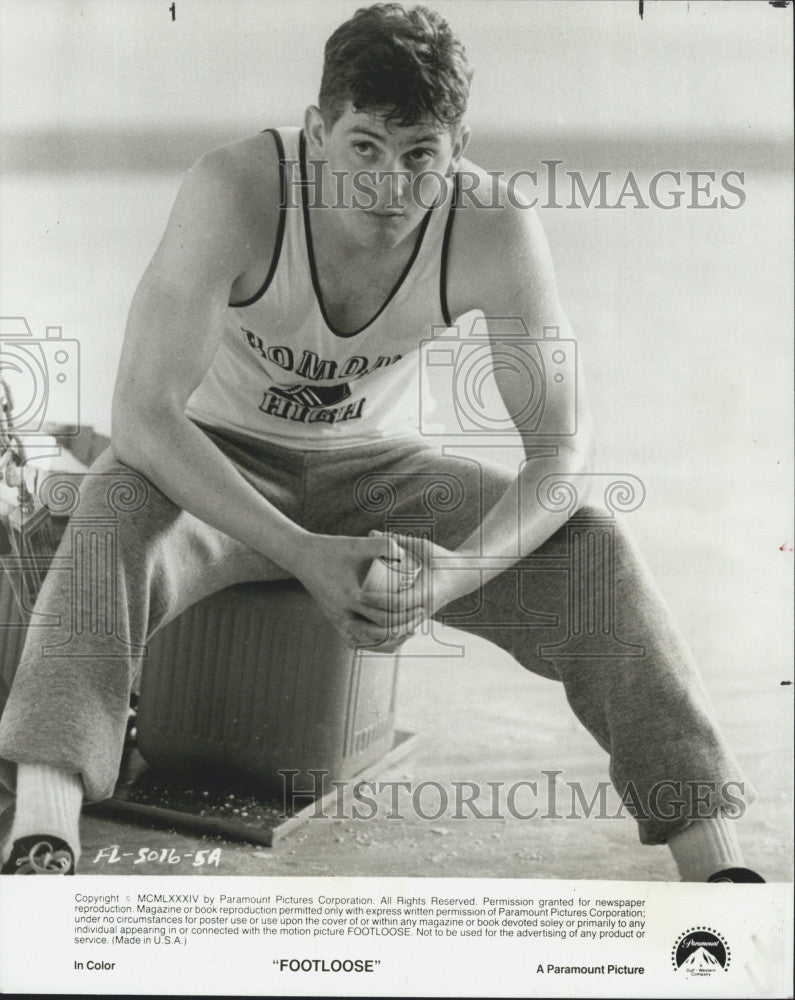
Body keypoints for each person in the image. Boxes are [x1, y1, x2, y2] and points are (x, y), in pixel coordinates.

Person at [0, 2, 762, 881]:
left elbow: (559, 453)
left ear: (457, 146)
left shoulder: (492, 224)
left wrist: (455, 574)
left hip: (379, 475)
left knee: (594, 547)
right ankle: (43, 827)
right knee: (113, 502)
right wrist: (298, 549)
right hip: (217, 464)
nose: (390, 189)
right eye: (364, 148)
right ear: (317, 131)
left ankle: (715, 863)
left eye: (419, 158)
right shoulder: (235, 188)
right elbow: (143, 416)